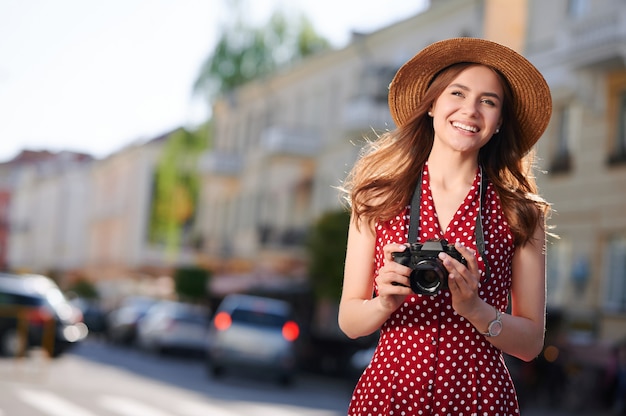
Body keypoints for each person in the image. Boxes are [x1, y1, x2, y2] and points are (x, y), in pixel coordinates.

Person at [338, 37, 553, 415]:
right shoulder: (377, 198)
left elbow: (532, 342)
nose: (470, 110)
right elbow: (350, 322)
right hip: (391, 393)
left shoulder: (521, 212)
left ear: (500, 121)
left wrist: (475, 308)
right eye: (458, 93)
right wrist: (384, 302)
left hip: (479, 398)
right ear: (433, 103)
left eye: (488, 101)